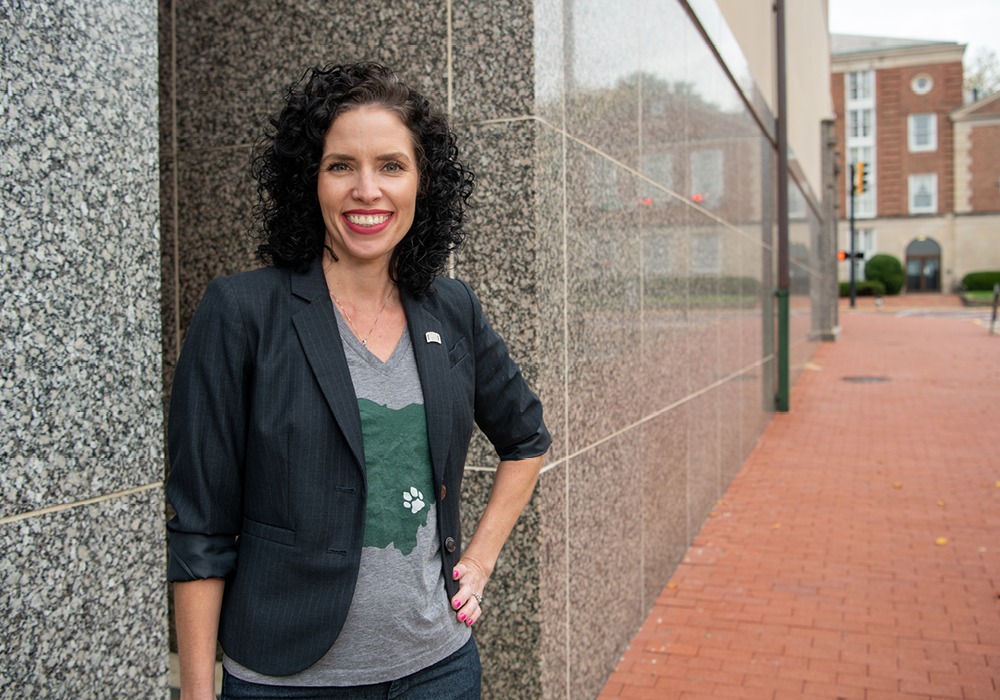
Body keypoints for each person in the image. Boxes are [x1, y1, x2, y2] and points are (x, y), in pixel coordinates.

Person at [166, 62, 551, 700]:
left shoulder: (451, 308)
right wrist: (196, 692)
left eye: (392, 166)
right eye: (341, 165)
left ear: (422, 185)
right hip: (286, 681)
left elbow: (527, 440)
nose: (366, 190)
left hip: (439, 670)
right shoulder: (241, 312)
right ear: (308, 181)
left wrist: (477, 563)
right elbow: (201, 525)